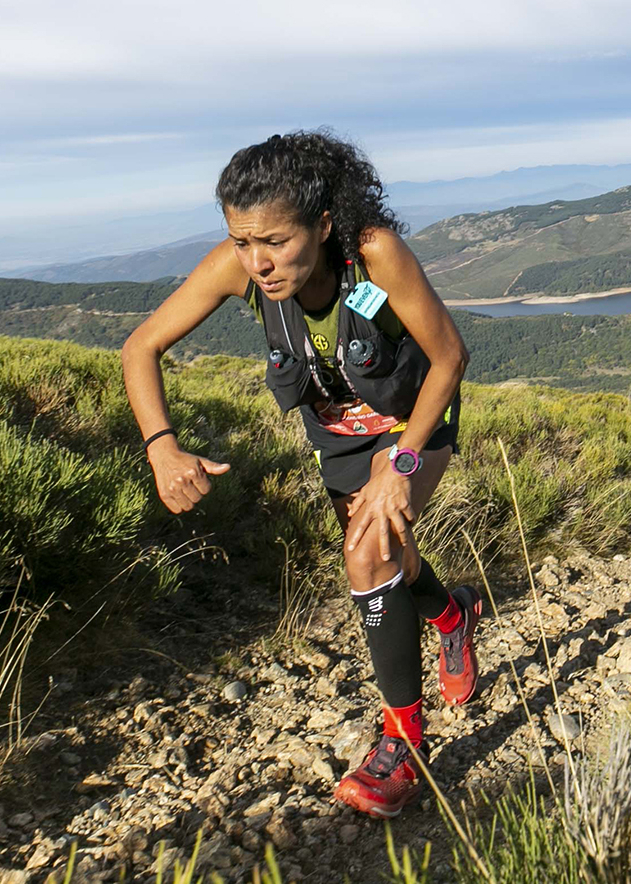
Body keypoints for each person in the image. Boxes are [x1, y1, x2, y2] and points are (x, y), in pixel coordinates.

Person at [120, 130, 481, 819]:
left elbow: (449, 358)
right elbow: (143, 345)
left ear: (321, 225)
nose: (257, 261)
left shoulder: (373, 253)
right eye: (241, 241)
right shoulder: (237, 267)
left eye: (275, 241)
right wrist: (161, 447)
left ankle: (403, 743)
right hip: (340, 438)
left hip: (412, 423)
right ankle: (451, 614)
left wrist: (402, 463)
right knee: (390, 560)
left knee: (366, 550)